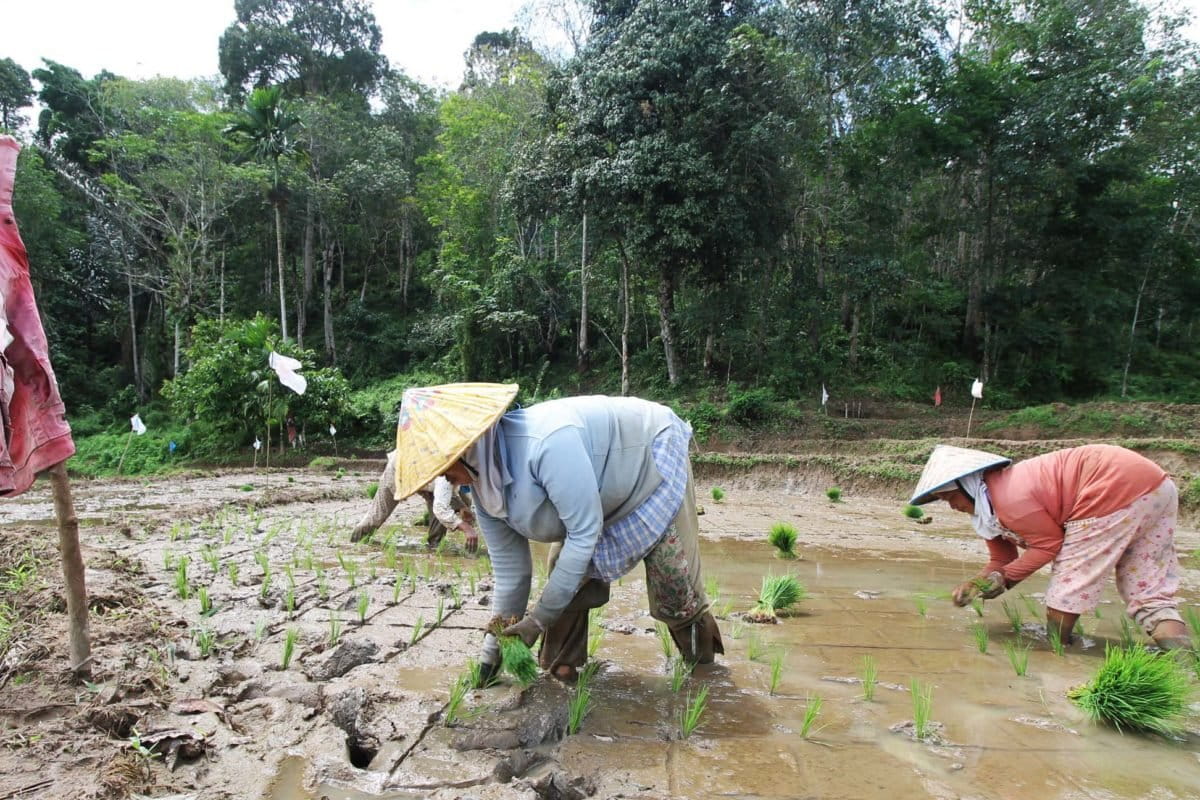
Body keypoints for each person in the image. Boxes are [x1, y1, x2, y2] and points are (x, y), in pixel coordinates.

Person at [392, 383, 723, 682]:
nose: (441, 480)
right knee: (565, 576)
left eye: (441, 469)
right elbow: (513, 575)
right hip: (595, 495)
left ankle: (704, 670)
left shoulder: (546, 443)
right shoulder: (483, 487)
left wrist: (537, 621)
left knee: (674, 581)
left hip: (648, 459)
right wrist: (489, 659)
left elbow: (583, 534)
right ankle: (563, 668)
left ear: (464, 448)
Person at [910, 443, 1191, 649]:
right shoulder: (988, 509)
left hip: (1109, 486)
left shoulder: (1009, 497)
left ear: (969, 486)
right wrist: (977, 584)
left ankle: (1057, 648)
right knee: (1146, 589)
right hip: (1156, 489)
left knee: (1068, 582)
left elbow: (1049, 546)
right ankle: (1185, 665)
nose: (952, 506)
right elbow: (1002, 559)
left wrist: (1004, 579)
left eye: (951, 498)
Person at [350, 450, 478, 551]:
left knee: (449, 504)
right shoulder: (446, 472)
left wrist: (462, 507)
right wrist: (467, 529)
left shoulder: (457, 466)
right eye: (467, 480)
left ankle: (434, 546)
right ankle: (356, 542)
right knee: (377, 514)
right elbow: (440, 508)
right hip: (400, 470)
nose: (467, 482)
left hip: (425, 475)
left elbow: (451, 495)